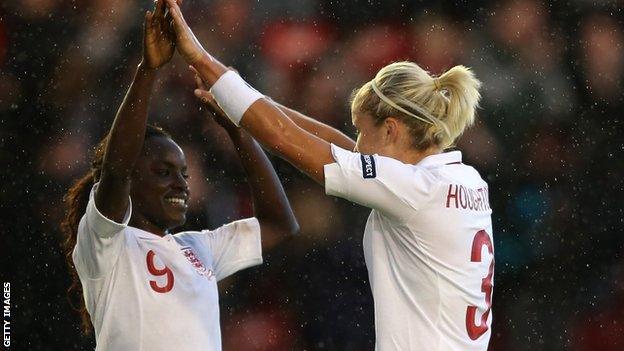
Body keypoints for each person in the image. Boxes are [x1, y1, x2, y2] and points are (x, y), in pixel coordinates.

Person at [164, 0, 494, 350]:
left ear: (391, 130)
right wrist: (239, 94)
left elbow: (284, 138)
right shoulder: (464, 181)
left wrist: (199, 57)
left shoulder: (414, 189)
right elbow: (341, 150)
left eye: (362, 131)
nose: (358, 143)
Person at [60, 1, 298, 350]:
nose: (181, 183)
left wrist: (238, 133)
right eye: (162, 172)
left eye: (184, 174)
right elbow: (115, 170)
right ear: (131, 182)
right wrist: (148, 71)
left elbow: (279, 224)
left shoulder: (197, 248)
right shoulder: (105, 245)